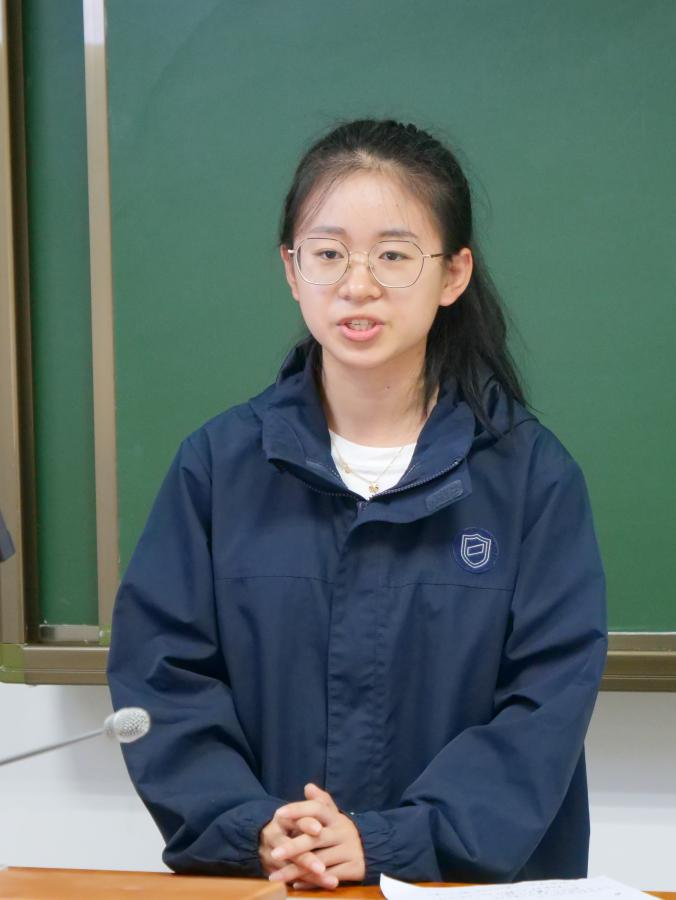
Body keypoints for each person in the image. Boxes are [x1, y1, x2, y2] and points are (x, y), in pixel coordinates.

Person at [107, 119, 606, 890]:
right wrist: (254, 825)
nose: (357, 284)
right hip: (275, 881)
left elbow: (544, 709)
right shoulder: (217, 468)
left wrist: (389, 842)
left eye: (394, 255)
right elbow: (163, 679)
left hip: (461, 888)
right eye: (329, 253)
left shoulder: (531, 479)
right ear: (291, 268)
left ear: (454, 274)